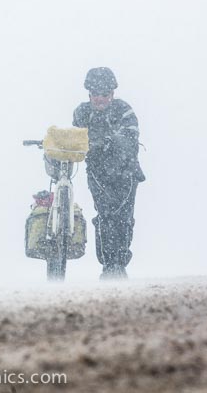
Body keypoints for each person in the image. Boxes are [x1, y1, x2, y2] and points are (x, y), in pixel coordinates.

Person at [72, 67, 145, 279]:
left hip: (126, 172)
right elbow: (75, 138)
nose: (100, 98)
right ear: (89, 95)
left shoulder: (124, 111)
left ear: (112, 94)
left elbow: (131, 138)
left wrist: (111, 142)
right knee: (105, 215)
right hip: (97, 173)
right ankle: (108, 264)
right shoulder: (81, 113)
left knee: (124, 217)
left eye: (105, 94)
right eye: (96, 93)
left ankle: (120, 263)